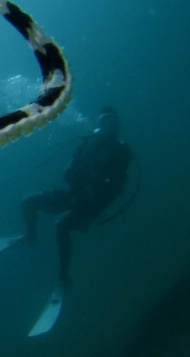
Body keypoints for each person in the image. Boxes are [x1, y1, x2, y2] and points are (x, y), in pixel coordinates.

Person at [20, 106, 133, 286]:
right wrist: (71, 171)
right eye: (105, 122)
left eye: (113, 123)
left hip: (94, 205)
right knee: (28, 202)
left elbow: (116, 185)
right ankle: (30, 237)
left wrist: (91, 180)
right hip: (74, 197)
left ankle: (64, 277)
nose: (109, 127)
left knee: (62, 226)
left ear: (118, 126)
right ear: (100, 124)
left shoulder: (121, 152)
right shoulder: (88, 144)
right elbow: (69, 170)